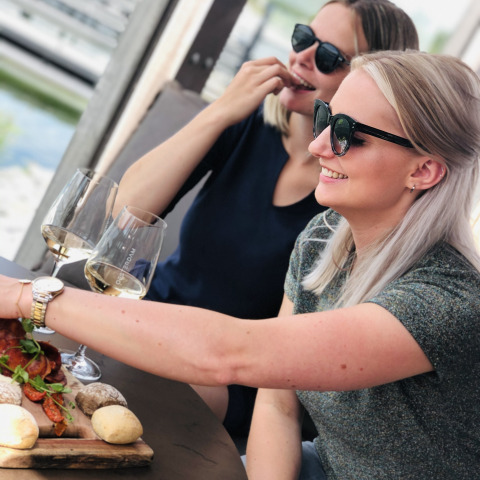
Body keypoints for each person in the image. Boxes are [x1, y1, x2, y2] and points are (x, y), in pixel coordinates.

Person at [3, 49, 479, 478]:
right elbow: (277, 400)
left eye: (348, 134)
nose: (317, 146)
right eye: (325, 118)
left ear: (423, 171)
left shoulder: (447, 303)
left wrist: (27, 296)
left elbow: (235, 352)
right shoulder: (323, 238)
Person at [112, 0, 419, 433]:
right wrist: (221, 110)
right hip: (151, 317)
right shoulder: (249, 125)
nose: (303, 57)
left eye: (329, 57)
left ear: (374, 86)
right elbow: (125, 215)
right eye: (302, 39)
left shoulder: (356, 194)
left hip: (231, 378)